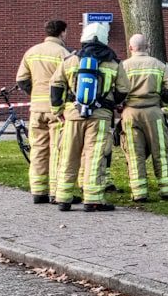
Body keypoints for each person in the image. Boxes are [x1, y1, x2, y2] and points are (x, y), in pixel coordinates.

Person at [53, 21, 123, 212]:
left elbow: (56, 85)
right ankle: (93, 199)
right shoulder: (113, 62)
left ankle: (63, 198)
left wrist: (58, 110)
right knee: (95, 157)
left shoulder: (71, 60)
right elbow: (124, 89)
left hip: (73, 116)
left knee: (68, 155)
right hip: (100, 117)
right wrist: (109, 103)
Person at [14, 20, 71, 203]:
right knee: (56, 149)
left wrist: (35, 92)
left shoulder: (31, 52)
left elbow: (21, 80)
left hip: (36, 109)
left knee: (37, 149)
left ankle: (38, 191)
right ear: (62, 33)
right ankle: (55, 191)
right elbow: (70, 81)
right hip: (57, 110)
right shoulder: (65, 54)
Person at [119, 32, 168, 202]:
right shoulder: (159, 65)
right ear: (148, 47)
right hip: (154, 112)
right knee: (161, 150)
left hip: (130, 114)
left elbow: (117, 91)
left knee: (134, 153)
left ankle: (139, 193)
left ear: (131, 48)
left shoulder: (123, 66)